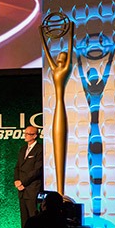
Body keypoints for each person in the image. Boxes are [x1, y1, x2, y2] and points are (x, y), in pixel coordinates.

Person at [39, 20, 74, 195]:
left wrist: (71, 33)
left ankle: (61, 193)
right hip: (58, 109)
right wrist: (41, 35)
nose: (59, 57)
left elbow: (70, 48)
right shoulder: (54, 68)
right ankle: (59, 193)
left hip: (61, 107)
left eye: (62, 56)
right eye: (59, 55)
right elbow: (46, 53)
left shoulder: (65, 68)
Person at [14, 126, 44, 228]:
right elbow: (17, 166)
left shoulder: (40, 149)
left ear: (35, 136)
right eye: (25, 133)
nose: (25, 136)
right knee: (24, 219)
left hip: (32, 188)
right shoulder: (23, 149)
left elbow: (37, 170)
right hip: (22, 190)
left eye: (28, 134)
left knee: (33, 217)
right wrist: (17, 181)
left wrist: (23, 182)